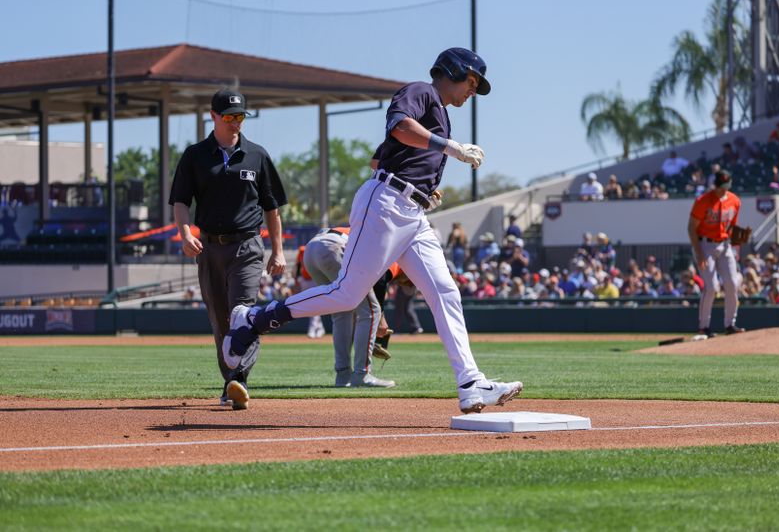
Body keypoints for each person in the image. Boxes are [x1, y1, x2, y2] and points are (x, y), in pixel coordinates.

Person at [222, 47, 522, 414]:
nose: (472, 91)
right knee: (347, 295)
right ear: (453, 71)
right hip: (387, 203)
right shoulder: (421, 91)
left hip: (411, 210)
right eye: (471, 81)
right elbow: (398, 126)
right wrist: (450, 149)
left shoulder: (440, 112)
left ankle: (470, 383)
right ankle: (252, 318)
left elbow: (381, 156)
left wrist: (424, 184)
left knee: (446, 292)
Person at [169, 88, 287, 411]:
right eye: (230, 117)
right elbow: (180, 200)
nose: (236, 123)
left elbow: (272, 207)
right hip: (208, 247)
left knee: (243, 314)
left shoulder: (257, 155)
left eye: (241, 117)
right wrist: (184, 233)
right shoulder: (195, 156)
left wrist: (277, 251)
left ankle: (240, 380)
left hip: (248, 246)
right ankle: (231, 380)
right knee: (221, 321)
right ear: (214, 117)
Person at [301, 227, 396, 387]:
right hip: (334, 248)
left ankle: (343, 375)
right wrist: (381, 318)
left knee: (342, 312)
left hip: (311, 250)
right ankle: (362, 373)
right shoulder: (400, 261)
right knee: (371, 312)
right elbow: (380, 281)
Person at [688, 169, 745, 337]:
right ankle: (704, 327)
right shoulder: (703, 201)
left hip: (725, 244)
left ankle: (730, 324)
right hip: (705, 245)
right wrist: (698, 253)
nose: (722, 189)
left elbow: (733, 227)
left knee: (732, 284)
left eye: (725, 186)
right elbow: (691, 228)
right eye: (720, 186)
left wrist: (736, 247)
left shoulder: (735, 201)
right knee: (712, 287)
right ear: (715, 185)